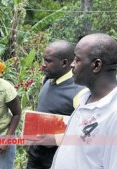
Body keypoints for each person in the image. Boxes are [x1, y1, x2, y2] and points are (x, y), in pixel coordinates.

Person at [51, 33, 117, 168]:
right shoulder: (85, 97)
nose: (72, 65)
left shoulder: (113, 114)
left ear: (96, 65)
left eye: (77, 59)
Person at [26, 40, 84, 169]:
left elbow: (85, 133)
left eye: (48, 61)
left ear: (64, 63)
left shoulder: (79, 92)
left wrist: (56, 139)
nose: (43, 65)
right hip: (35, 155)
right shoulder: (47, 80)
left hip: (57, 159)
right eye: (43, 60)